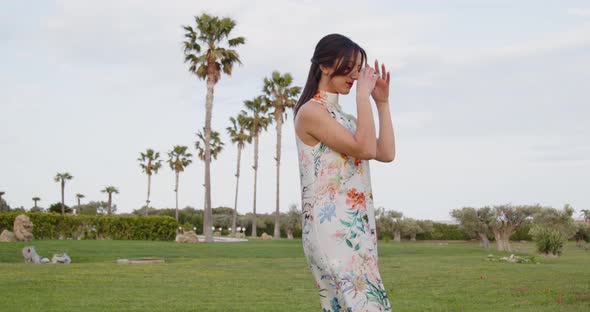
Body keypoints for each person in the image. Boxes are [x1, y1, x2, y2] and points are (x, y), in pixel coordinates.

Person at [293, 33, 395, 311]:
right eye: (348, 66)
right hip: (332, 231)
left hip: (356, 227)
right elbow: (364, 149)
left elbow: (384, 153)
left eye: (358, 68)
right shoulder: (311, 112)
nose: (354, 75)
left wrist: (381, 103)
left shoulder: (346, 120)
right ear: (324, 66)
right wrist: (363, 96)